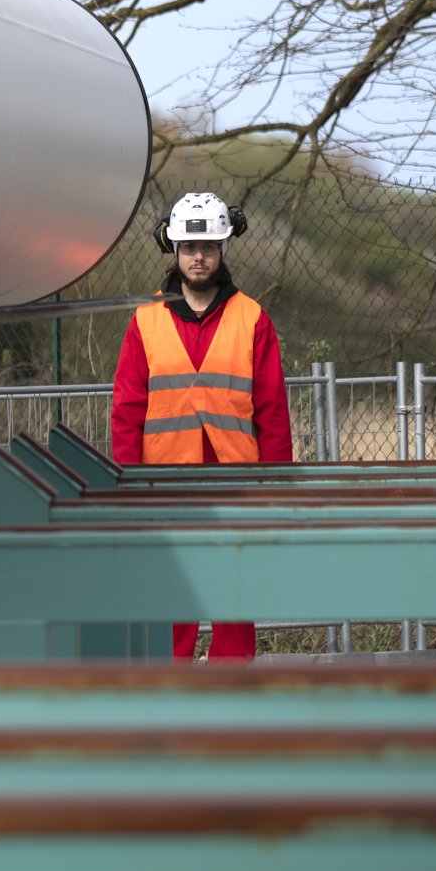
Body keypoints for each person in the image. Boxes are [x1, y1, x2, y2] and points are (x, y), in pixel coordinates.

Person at [110, 191, 293, 662]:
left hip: (237, 480)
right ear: (173, 248)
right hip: (164, 481)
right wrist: (126, 484)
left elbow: (272, 412)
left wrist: (276, 489)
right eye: (190, 248)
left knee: (234, 596)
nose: (198, 256)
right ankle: (169, 697)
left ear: (223, 249)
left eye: (208, 247)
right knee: (172, 595)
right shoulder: (145, 320)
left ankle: (230, 703)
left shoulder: (253, 318)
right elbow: (127, 409)